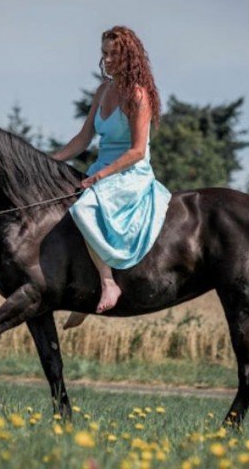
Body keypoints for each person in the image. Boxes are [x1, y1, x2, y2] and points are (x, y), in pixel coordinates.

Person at [52, 26, 171, 328]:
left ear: (128, 56)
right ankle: (86, 290)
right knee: (64, 210)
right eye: (104, 53)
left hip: (130, 171)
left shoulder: (138, 95)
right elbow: (83, 139)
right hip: (101, 169)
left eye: (113, 54)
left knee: (84, 208)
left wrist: (100, 175)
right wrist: (46, 161)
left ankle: (108, 283)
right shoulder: (103, 91)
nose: (106, 59)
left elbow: (136, 151)